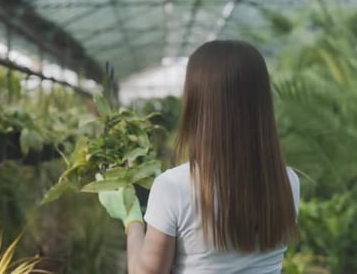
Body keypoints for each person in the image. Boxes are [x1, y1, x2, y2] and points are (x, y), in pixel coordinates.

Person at [98, 40, 300, 274]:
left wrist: (131, 220)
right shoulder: (287, 181)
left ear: (197, 103)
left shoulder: (173, 186)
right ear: (261, 104)